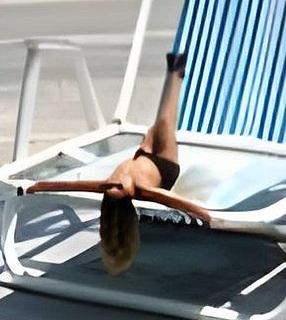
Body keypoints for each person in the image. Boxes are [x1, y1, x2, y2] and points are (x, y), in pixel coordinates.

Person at [25, 51, 210, 274]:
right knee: (164, 121)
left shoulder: (110, 186)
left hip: (143, 155)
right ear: (128, 194)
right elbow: (170, 198)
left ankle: (174, 71)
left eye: (112, 187)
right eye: (119, 188)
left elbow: (74, 185)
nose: (115, 183)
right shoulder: (142, 189)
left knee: (158, 124)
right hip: (165, 164)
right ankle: (176, 72)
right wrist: (203, 214)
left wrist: (37, 186)